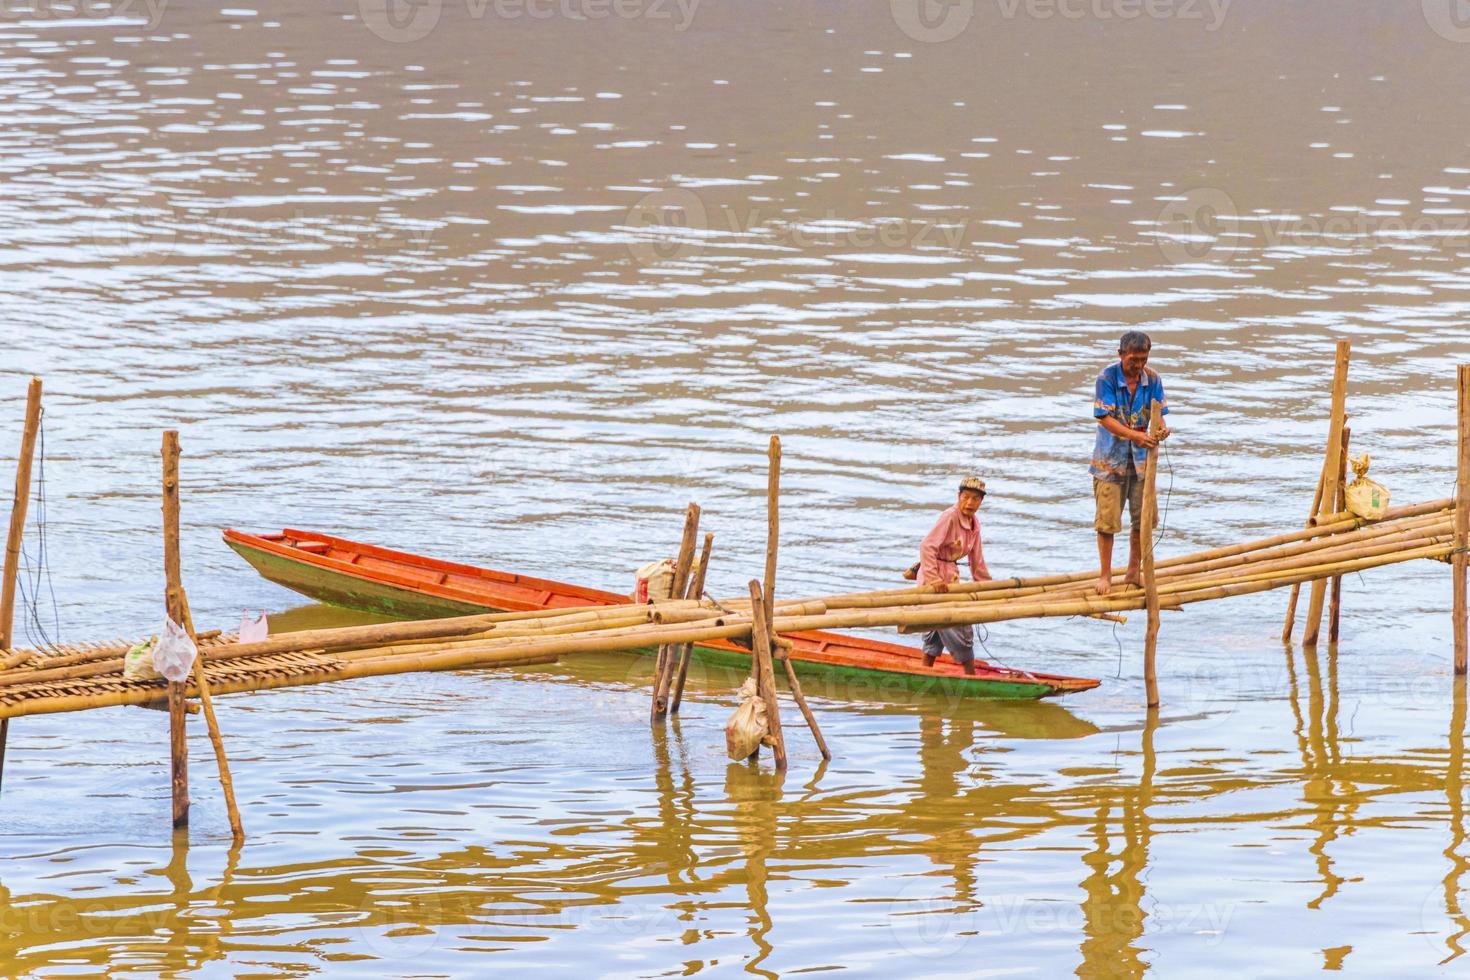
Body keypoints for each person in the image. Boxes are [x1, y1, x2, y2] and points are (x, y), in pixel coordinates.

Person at [1090, 331, 1171, 595]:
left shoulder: (1153, 379)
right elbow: (1104, 418)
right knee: (1108, 521)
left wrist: (1160, 429)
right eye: (1133, 359)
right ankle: (1105, 575)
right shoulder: (1107, 378)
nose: (1137, 365)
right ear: (1121, 355)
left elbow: (1159, 415)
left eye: (1142, 359)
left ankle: (1134, 570)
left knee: (1143, 518)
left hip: (1141, 462)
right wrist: (1136, 435)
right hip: (1110, 461)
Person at [917, 476, 992, 675]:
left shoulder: (975, 524)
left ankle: (924, 670)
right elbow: (927, 546)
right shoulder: (949, 516)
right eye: (965, 497)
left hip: (950, 578)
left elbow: (977, 560)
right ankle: (970, 674)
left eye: (975, 499)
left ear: (981, 502)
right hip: (935, 577)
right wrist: (934, 579)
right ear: (959, 497)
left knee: (936, 628)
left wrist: (989, 588)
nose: (969, 503)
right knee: (959, 624)